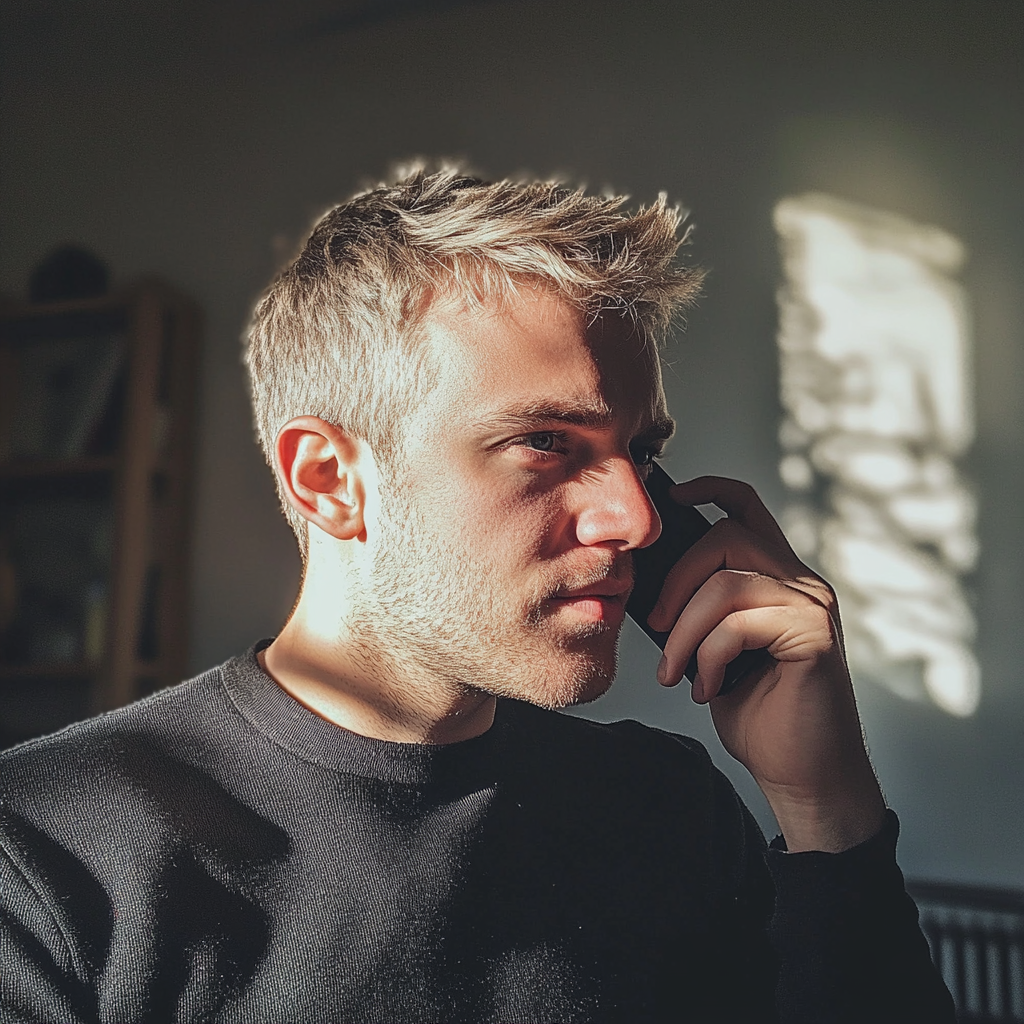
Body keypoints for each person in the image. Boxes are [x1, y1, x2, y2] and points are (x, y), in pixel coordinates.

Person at [0, 167, 955, 1023]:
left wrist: (826, 807)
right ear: (329, 478)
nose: (636, 518)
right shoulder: (47, 860)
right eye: (546, 442)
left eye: (643, 454)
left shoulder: (669, 812)